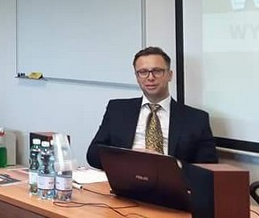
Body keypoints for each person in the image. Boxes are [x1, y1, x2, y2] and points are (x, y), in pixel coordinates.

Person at [86, 46, 218, 169]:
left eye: (157, 71)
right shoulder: (117, 110)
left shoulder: (196, 119)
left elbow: (209, 168)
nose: (150, 77)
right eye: (143, 72)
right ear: (137, 77)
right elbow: (93, 154)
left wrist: (173, 165)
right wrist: (128, 158)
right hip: (125, 178)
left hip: (170, 182)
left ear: (170, 75)